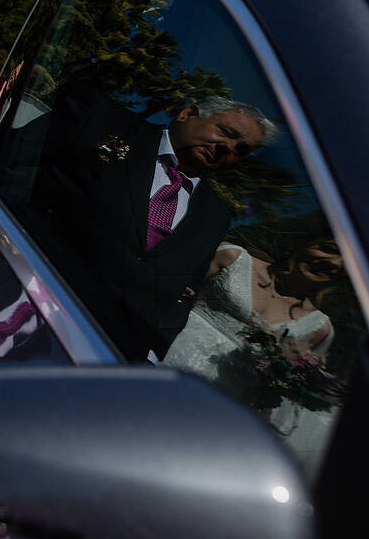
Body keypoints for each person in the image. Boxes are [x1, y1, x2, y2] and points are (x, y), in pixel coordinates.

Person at [26, 85, 276, 359]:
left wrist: (154, 352)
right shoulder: (102, 121)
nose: (227, 147)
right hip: (24, 291)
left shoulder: (214, 217)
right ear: (187, 114)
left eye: (239, 150)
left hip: (104, 354)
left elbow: (182, 295)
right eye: (226, 132)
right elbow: (14, 166)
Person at [164, 225, 352, 472]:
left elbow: (289, 395)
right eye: (328, 249)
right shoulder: (233, 258)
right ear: (305, 241)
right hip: (164, 371)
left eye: (345, 266)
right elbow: (167, 298)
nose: (332, 264)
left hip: (216, 415)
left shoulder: (321, 328)